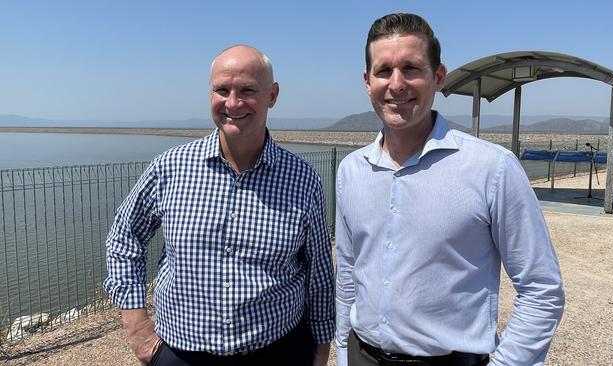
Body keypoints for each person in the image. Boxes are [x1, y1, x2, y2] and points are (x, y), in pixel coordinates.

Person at [335, 13, 565, 366]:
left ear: (437, 77)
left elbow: (541, 289)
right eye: (384, 71)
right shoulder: (352, 171)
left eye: (411, 68)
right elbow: (349, 272)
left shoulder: (492, 168)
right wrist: (342, 351)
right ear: (367, 81)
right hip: (362, 354)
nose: (397, 84)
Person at [104, 45, 335, 366]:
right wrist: (137, 326)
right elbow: (124, 238)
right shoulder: (170, 167)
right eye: (222, 90)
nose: (233, 102)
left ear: (273, 95)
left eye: (247, 90)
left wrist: (321, 345)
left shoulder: (302, 178)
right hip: (181, 353)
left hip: (279, 349)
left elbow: (318, 269)